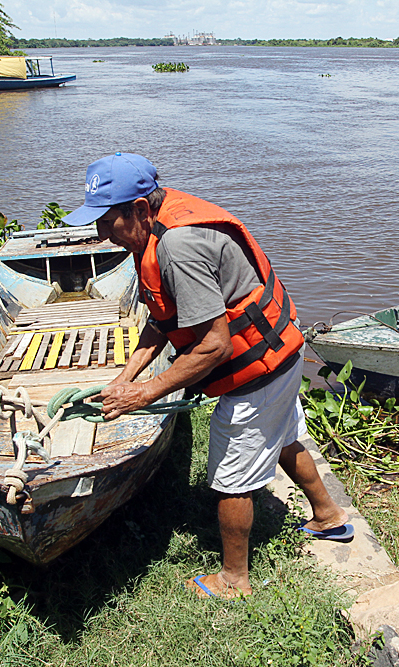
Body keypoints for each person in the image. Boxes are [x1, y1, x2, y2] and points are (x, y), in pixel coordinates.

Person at [63, 153, 352, 599]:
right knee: (285, 440)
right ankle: (329, 517)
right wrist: (126, 377)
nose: (101, 233)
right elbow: (164, 319)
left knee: (231, 481)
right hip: (283, 355)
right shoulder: (157, 226)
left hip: (258, 376)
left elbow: (215, 345)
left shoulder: (179, 247)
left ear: (139, 209)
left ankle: (234, 579)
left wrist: (146, 393)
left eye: (107, 220)